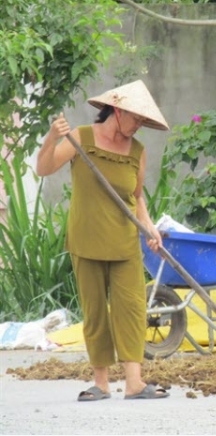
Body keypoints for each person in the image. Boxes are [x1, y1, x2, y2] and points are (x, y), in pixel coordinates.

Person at [36, 80, 170, 401]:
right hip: (87, 239)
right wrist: (52, 137)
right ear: (118, 110)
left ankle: (135, 383)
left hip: (124, 241)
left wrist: (149, 228)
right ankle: (101, 383)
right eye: (136, 118)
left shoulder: (137, 151)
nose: (138, 125)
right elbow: (43, 168)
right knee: (95, 312)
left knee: (132, 309)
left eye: (142, 120)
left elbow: (136, 198)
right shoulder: (81, 138)